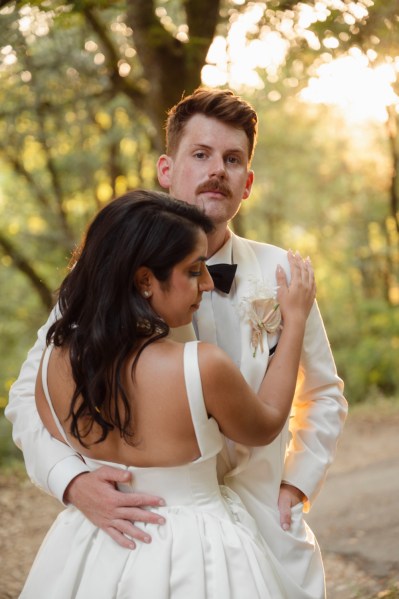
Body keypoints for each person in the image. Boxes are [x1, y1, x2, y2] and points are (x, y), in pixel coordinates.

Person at [6, 88, 347, 599]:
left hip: (266, 530)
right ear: (167, 169)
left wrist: (296, 485)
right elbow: (29, 395)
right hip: (144, 533)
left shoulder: (284, 274)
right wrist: (71, 482)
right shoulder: (102, 273)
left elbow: (322, 393)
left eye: (233, 160)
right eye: (201, 154)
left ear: (247, 183)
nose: (218, 170)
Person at [20, 190, 316, 598]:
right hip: (196, 552)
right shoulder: (201, 366)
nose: (208, 283)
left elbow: (49, 430)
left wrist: (75, 481)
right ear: (145, 281)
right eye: (194, 271)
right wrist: (295, 320)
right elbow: (266, 422)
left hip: (91, 544)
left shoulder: (54, 361)